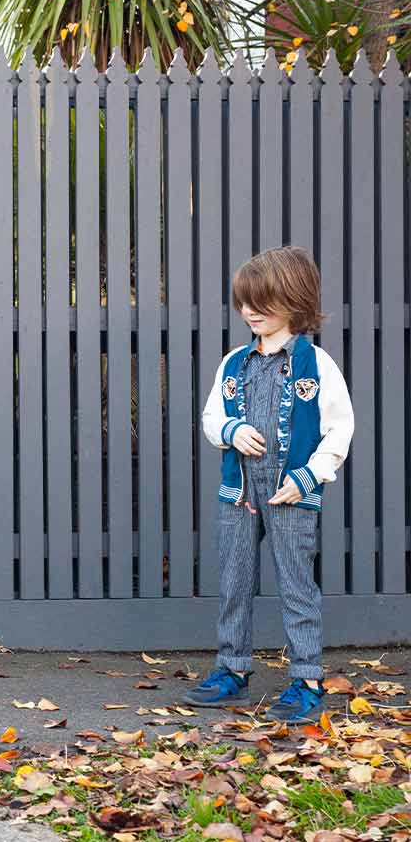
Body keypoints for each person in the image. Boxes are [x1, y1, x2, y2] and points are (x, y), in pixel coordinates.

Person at [188, 247, 354, 723]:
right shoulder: (234, 363)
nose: (250, 311)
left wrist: (309, 477)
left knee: (297, 585)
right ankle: (232, 669)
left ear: (295, 300)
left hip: (290, 493)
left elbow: (340, 428)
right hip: (239, 492)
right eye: (244, 302)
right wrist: (230, 431)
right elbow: (211, 417)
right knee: (234, 581)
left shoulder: (316, 364)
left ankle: (306, 678)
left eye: (263, 301)